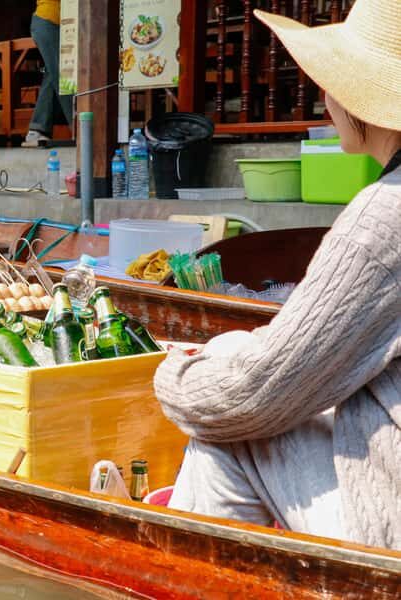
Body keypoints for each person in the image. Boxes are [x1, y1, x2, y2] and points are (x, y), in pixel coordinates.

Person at [153, 0, 400, 551]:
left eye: (333, 82)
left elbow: (252, 393)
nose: (326, 98)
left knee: (222, 432)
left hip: (392, 518)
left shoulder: (385, 214)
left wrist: (171, 375)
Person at [22, 0, 72, 148]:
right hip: (48, 22)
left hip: (58, 25)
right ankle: (78, 126)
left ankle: (38, 129)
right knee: (63, 75)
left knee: (52, 73)